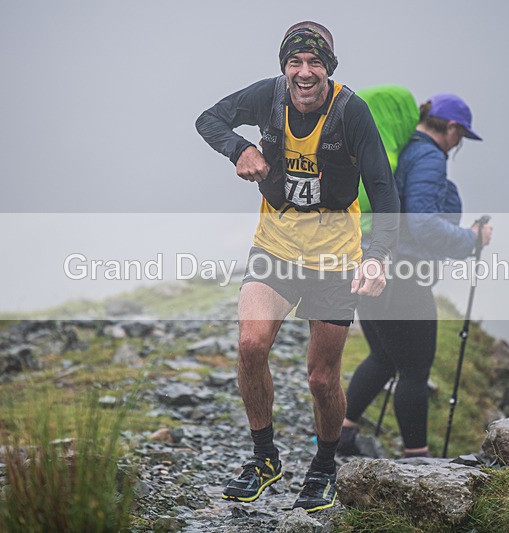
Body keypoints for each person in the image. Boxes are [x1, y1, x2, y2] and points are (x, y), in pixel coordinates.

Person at [195, 21, 399, 512]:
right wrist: (239, 149)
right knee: (250, 344)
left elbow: (384, 190)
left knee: (321, 378)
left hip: (334, 257)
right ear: (284, 67)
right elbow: (208, 120)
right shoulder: (267, 97)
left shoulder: (352, 112)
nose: (304, 73)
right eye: (295, 63)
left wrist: (377, 258)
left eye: (315, 64)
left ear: (328, 68)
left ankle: (324, 466)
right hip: (276, 247)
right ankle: (265, 459)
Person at [339, 93, 492, 458]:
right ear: (451, 127)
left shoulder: (404, 151)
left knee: (384, 358)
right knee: (415, 369)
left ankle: (340, 438)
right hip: (403, 275)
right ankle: (417, 460)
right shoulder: (427, 156)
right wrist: (472, 240)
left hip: (371, 261)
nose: (458, 145)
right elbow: (422, 223)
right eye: (461, 137)